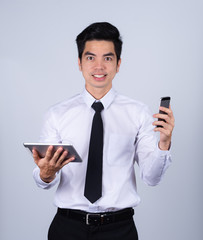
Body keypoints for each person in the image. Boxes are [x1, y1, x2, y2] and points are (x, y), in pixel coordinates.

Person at [32, 22, 175, 240]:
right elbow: (44, 177)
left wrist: (163, 143)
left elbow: (152, 177)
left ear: (118, 64)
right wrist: (46, 174)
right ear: (79, 63)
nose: (99, 66)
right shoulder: (57, 114)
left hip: (119, 229)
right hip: (68, 228)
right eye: (90, 58)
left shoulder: (138, 112)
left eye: (107, 58)